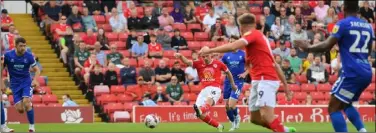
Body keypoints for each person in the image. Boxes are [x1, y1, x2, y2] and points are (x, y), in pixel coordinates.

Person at [199, 13, 295, 132]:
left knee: (266, 115)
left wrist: (210, 51)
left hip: (266, 79)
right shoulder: (257, 44)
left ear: (241, 27)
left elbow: (233, 46)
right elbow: (275, 64)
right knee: (255, 118)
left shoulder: (253, 34)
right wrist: (285, 86)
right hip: (258, 81)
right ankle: (284, 130)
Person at [294, 1, 374, 132]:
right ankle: (362, 131)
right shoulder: (368, 26)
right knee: (346, 104)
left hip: (352, 72)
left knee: (333, 107)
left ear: (344, 8)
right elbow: (369, 50)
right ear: (358, 9)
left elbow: (326, 45)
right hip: (366, 71)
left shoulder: (343, 24)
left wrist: (308, 48)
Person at [174, 51, 237, 132]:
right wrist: (181, 56)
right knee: (200, 115)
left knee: (208, 101)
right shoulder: (198, 63)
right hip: (204, 90)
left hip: (215, 88)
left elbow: (228, 72)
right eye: (203, 57)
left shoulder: (218, 63)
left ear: (211, 55)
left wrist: (232, 84)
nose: (205, 58)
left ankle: (201, 110)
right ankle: (218, 125)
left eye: (206, 56)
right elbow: (187, 61)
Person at [1, 37, 39, 132]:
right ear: (16, 46)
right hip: (14, 84)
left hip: (26, 82)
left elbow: (37, 69)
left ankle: (31, 127)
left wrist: (35, 80)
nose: (23, 48)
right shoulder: (8, 56)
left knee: (26, 102)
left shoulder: (29, 56)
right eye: (21, 46)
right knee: (21, 110)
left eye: (24, 46)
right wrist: (1, 83)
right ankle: (27, 105)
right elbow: (1, 69)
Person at [221, 36, 248, 131]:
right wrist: (221, 72)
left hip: (238, 81)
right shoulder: (226, 55)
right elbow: (221, 66)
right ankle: (233, 122)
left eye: (233, 41)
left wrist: (245, 73)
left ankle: (237, 117)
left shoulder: (243, 54)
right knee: (227, 106)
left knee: (232, 104)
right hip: (227, 81)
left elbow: (251, 65)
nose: (232, 43)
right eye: (230, 41)